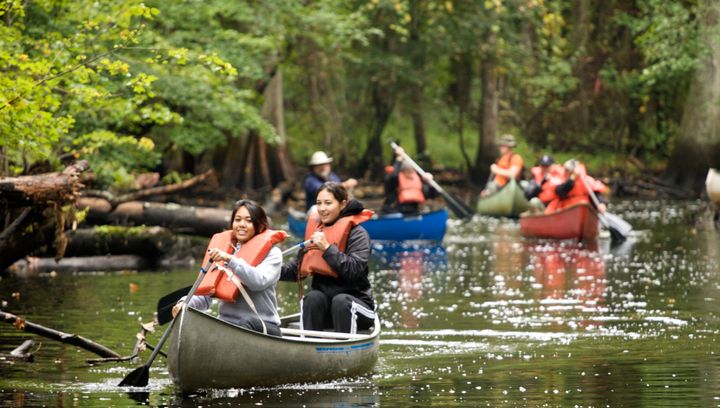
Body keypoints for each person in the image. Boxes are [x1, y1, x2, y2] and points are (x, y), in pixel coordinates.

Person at [172, 200, 287, 336]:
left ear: (260, 226)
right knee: (196, 319)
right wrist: (184, 303)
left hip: (263, 326)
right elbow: (205, 296)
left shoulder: (273, 253)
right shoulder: (223, 250)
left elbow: (258, 282)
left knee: (244, 323)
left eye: (249, 221)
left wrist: (230, 260)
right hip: (227, 325)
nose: (242, 225)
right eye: (237, 220)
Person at [281, 182, 376, 333]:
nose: (322, 208)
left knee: (341, 301)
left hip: (356, 307)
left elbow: (353, 271)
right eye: (319, 203)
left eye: (328, 203)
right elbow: (295, 270)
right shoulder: (316, 231)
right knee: (313, 298)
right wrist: (266, 269)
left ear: (343, 204)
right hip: (327, 309)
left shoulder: (358, 234)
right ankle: (310, 350)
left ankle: (344, 352)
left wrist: (327, 248)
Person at [382, 146, 437, 215]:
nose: (410, 174)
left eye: (412, 171)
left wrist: (430, 183)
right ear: (402, 171)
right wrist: (399, 159)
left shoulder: (417, 180)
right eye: (408, 171)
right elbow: (393, 176)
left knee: (424, 210)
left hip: (413, 212)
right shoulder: (394, 180)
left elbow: (432, 195)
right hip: (393, 211)